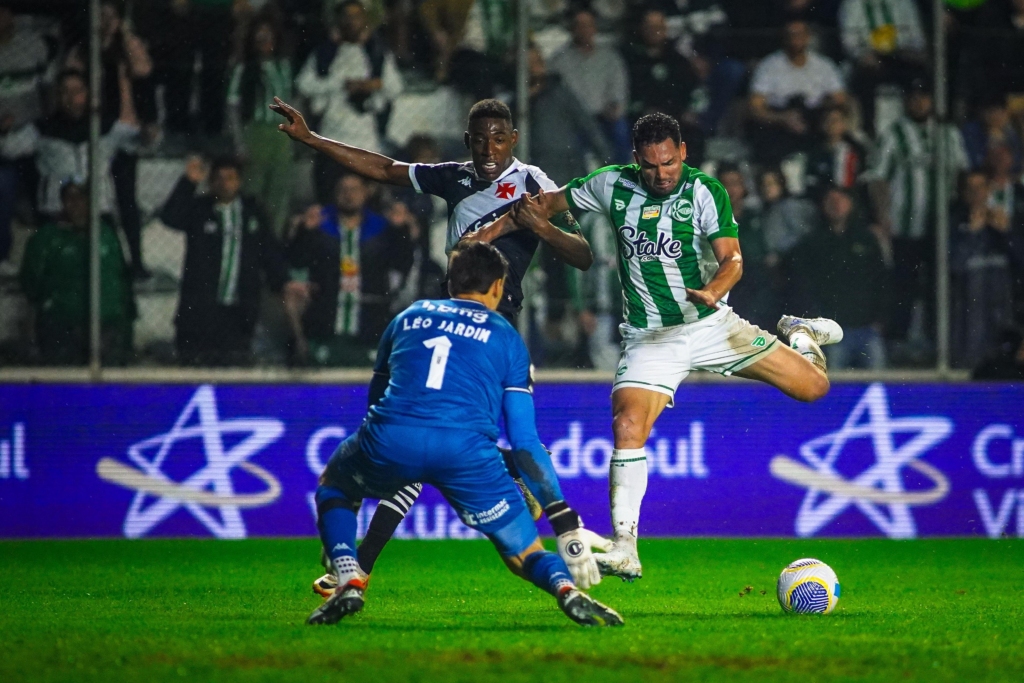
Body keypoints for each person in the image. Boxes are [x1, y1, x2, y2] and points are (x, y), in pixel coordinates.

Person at [272, 95, 600, 596]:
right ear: (468, 143)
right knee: (428, 445)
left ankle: (362, 563)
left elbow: (583, 256)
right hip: (450, 319)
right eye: (479, 139)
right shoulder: (455, 177)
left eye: (498, 138)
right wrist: (312, 139)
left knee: (437, 445)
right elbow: (383, 168)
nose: (489, 148)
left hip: (498, 334)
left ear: (513, 140)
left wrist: (540, 225)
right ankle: (365, 564)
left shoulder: (536, 184)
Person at [523, 113, 842, 579]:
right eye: (651, 166)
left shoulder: (704, 192)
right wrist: (512, 223)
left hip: (713, 324)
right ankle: (625, 546)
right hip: (652, 336)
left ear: (683, 153)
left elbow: (733, 257)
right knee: (628, 425)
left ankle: (799, 334)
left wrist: (714, 289)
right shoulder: (610, 184)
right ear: (637, 160)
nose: (661, 174)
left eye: (669, 163)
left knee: (814, 387)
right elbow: (546, 204)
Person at [307, 241, 622, 627]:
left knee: (334, 486)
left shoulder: (409, 316)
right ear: (498, 287)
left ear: (450, 281)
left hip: (393, 436)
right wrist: (563, 520)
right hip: (467, 454)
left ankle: (348, 573)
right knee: (523, 553)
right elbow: (524, 441)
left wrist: (383, 446)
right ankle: (566, 590)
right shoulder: (507, 337)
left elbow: (377, 399)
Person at [159, 155, 307, 366]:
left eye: (230, 178)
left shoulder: (253, 212)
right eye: (218, 178)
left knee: (235, 365)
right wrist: (188, 182)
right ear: (210, 182)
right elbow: (170, 217)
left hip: (239, 310)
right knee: (193, 366)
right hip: (200, 310)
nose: (224, 183)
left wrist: (284, 280)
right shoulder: (199, 210)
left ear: (238, 182)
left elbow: (269, 251)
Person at [863, 79, 968, 352]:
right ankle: (898, 340)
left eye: (924, 97)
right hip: (903, 225)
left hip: (940, 227)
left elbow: (961, 173)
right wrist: (883, 216)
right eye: (914, 97)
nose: (919, 102)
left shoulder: (948, 134)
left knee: (938, 285)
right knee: (903, 285)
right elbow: (878, 179)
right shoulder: (894, 134)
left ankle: (937, 341)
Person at [284, 173, 415, 366]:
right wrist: (305, 232)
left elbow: (402, 264)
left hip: (369, 328)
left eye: (354, 189)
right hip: (325, 328)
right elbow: (296, 262)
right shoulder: (320, 226)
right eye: (343, 190)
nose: (349, 195)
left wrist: (400, 231)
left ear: (365, 193)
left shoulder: (381, 229)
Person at [295, 0, 403, 204]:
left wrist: (372, 85)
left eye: (356, 16)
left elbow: (395, 87)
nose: (351, 22)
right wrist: (341, 84)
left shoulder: (376, 53)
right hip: (332, 136)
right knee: (329, 196)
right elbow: (304, 84)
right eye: (347, 16)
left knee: (367, 200)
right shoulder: (325, 53)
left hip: (365, 139)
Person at [19, 180, 133, 365]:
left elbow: (122, 279)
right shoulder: (46, 237)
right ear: (62, 202)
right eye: (70, 198)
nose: (76, 204)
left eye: (82, 198)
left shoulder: (107, 234)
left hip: (106, 323)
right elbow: (30, 282)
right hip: (62, 324)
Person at [789, 186, 888, 370]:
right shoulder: (812, 243)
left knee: (878, 386)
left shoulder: (867, 239)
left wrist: (880, 319)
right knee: (835, 389)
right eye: (830, 201)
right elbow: (803, 286)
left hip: (867, 328)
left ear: (851, 204)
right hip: (832, 333)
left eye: (841, 200)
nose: (836, 205)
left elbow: (881, 279)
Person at [32, 69, 138, 220]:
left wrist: (149, 135)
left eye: (77, 91)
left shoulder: (107, 127)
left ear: (88, 93)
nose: (71, 97)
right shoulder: (42, 130)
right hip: (55, 211)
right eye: (65, 91)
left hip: (100, 209)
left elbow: (138, 141)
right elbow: (10, 146)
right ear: (57, 96)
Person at [227, 15, 294, 237]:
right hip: (256, 132)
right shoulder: (243, 70)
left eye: (268, 38)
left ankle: (273, 242)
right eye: (259, 39)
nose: (264, 44)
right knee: (252, 188)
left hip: (283, 133)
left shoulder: (284, 66)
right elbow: (233, 107)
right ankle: (249, 239)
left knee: (279, 192)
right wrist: (239, 143)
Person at [748, 20, 847, 165]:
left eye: (800, 34)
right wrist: (782, 118)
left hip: (814, 118)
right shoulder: (769, 65)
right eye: (791, 34)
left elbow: (840, 98)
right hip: (780, 119)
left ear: (808, 37)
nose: (796, 39)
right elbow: (755, 106)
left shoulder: (823, 65)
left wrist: (819, 109)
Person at [549, 9, 631, 163]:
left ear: (595, 28)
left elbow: (619, 89)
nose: (584, 30)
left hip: (603, 117)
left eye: (588, 25)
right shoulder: (559, 60)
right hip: (572, 120)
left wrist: (614, 106)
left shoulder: (610, 57)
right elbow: (554, 92)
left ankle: (622, 176)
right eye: (579, 25)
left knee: (620, 129)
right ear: (572, 28)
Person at [838, 0, 927, 135]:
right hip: (868, 58)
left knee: (918, 73)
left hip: (900, 56)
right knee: (867, 75)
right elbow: (848, 41)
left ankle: (915, 127)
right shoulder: (852, 4)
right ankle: (869, 129)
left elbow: (917, 37)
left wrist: (907, 51)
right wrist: (862, 55)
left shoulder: (905, 3)